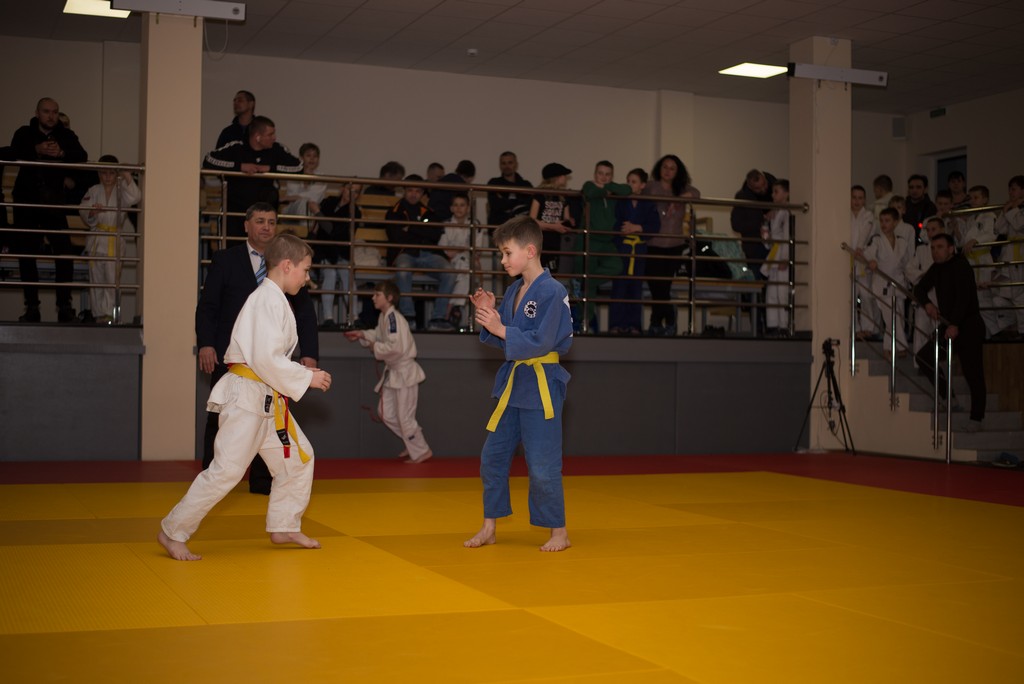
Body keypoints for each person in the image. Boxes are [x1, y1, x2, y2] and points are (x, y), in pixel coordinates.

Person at [158, 234, 331, 561]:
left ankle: (284, 524)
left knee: (299, 459)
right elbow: (265, 359)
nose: (307, 277)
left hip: (266, 399)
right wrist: (306, 377)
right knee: (226, 471)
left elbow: (269, 359)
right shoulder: (265, 300)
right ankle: (172, 531)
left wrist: (298, 374)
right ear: (287, 265)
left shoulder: (275, 299)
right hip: (247, 399)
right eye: (306, 270)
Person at [464, 215, 573, 553]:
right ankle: (489, 527)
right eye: (501, 253)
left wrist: (501, 328)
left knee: (542, 464)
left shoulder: (553, 291)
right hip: (514, 386)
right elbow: (505, 340)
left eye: (507, 253)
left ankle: (559, 532)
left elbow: (542, 341)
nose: (503, 260)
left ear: (530, 251)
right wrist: (490, 316)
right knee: (492, 458)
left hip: (541, 386)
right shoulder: (514, 291)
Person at [195, 202, 319, 494]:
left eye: (272, 222)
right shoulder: (227, 260)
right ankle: (210, 476)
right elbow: (209, 306)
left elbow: (305, 313)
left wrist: (309, 354)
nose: (266, 227)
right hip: (235, 358)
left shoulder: (291, 263)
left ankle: (263, 483)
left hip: (272, 364)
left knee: (273, 425)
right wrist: (206, 343)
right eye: (260, 221)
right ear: (246, 225)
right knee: (222, 425)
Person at [9, 97, 89, 323]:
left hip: (54, 203)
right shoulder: (24, 132)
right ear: (37, 113)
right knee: (27, 255)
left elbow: (81, 156)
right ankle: (32, 308)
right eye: (46, 111)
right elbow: (12, 152)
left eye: (54, 112)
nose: (51, 116)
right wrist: (36, 149)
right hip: (26, 202)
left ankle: (65, 307)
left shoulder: (66, 135)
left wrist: (61, 154)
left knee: (64, 253)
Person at [343, 281, 432, 464]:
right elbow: (378, 334)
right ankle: (413, 443)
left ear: (389, 298)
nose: (373, 298)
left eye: (377, 294)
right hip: (394, 373)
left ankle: (421, 450)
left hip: (405, 372)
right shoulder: (384, 317)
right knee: (386, 413)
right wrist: (362, 334)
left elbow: (396, 347)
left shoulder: (393, 319)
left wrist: (374, 346)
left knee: (405, 417)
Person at [913, 232, 987, 432]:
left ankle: (977, 418)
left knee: (973, 373)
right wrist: (927, 304)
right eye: (932, 248)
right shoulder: (937, 268)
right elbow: (919, 289)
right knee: (924, 357)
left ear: (951, 249)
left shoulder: (961, 265)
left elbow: (964, 298)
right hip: (948, 324)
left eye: (939, 247)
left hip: (969, 325)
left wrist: (955, 324)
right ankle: (948, 397)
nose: (935, 251)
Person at [203, 115, 303, 237]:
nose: (274, 138)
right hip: (235, 214)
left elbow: (299, 167)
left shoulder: (276, 149)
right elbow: (208, 160)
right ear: (257, 137)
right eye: (270, 135)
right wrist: (240, 167)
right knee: (232, 244)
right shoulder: (237, 147)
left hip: (264, 214)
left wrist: (270, 169)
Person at [385, 174, 456, 330]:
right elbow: (396, 237)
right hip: (404, 253)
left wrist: (410, 227)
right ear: (404, 191)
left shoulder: (428, 211)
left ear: (423, 193)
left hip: (428, 254)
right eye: (410, 190)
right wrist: (422, 229)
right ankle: (408, 316)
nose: (414, 194)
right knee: (403, 271)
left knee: (450, 273)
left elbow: (435, 234)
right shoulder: (394, 211)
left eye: (417, 191)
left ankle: (437, 318)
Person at [78, 155, 140, 324]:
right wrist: (92, 212)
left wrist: (127, 175)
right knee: (96, 280)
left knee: (112, 280)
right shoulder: (93, 190)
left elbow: (136, 197)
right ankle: (99, 315)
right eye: (104, 173)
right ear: (99, 173)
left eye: (111, 173)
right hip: (97, 238)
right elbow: (83, 209)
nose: (107, 177)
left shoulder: (122, 190)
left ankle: (110, 315)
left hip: (114, 239)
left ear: (116, 173)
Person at [644, 154, 700, 336]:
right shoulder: (652, 186)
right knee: (657, 286)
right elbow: (646, 195)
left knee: (665, 286)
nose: (668, 171)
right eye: (665, 167)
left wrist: (679, 198)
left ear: (678, 172)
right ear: (659, 169)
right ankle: (668, 318)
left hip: (674, 245)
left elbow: (696, 194)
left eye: (672, 168)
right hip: (653, 243)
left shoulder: (682, 188)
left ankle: (656, 323)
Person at [577, 160, 631, 331]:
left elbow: (626, 190)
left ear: (612, 176)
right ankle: (587, 322)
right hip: (590, 240)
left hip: (607, 242)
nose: (604, 177)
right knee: (588, 290)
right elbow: (591, 192)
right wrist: (606, 190)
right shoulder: (589, 185)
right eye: (600, 173)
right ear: (595, 174)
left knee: (616, 266)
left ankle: (589, 281)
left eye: (608, 174)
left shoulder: (612, 188)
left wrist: (608, 187)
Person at [609, 167, 658, 334]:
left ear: (642, 185)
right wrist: (622, 230)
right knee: (619, 287)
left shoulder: (648, 204)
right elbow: (614, 223)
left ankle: (634, 325)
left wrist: (638, 227)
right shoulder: (621, 202)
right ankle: (615, 324)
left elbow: (655, 226)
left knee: (635, 288)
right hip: (622, 248)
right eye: (628, 181)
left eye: (634, 182)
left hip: (639, 249)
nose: (630, 184)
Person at [862, 208, 912, 356]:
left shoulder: (902, 242)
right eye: (882, 221)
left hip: (899, 284)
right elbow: (869, 253)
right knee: (891, 316)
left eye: (887, 221)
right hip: (882, 284)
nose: (884, 224)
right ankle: (901, 347)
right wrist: (872, 261)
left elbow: (908, 264)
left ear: (895, 222)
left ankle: (888, 348)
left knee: (898, 318)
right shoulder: (877, 240)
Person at [312, 182, 361, 329]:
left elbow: (333, 231)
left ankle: (354, 318)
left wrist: (318, 213)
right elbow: (318, 228)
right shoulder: (329, 202)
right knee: (330, 273)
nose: (351, 193)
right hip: (323, 251)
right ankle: (328, 318)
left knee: (347, 275)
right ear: (342, 189)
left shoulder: (355, 212)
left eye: (356, 191)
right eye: (349, 189)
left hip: (341, 252)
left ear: (358, 196)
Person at [438, 192, 486, 328]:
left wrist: (458, 249)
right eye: (456, 205)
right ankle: (455, 308)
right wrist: (463, 248)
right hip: (449, 263)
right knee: (466, 269)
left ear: (468, 208)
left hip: (468, 261)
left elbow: (477, 251)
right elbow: (446, 252)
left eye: (462, 205)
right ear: (451, 208)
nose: (459, 208)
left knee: (465, 267)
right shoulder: (446, 224)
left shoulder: (475, 224)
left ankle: (451, 309)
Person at [530, 163, 575, 275]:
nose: (565, 178)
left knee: (552, 271)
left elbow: (566, 219)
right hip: (539, 240)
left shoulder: (563, 196)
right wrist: (553, 226)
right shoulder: (540, 195)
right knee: (537, 271)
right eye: (564, 175)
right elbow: (532, 221)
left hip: (555, 241)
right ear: (557, 177)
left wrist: (569, 222)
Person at [994, 176, 1024, 338]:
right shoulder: (1010, 208)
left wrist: (1013, 209)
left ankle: (1022, 331)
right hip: (1009, 257)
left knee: (1020, 298)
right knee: (1001, 297)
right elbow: (998, 229)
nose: (1010, 192)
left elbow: (1019, 224)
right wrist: (1006, 211)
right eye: (1009, 189)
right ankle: (1011, 326)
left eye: (1014, 189)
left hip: (1021, 255)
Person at [278, 142, 327, 238]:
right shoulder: (293, 174)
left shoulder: (321, 177)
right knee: (303, 203)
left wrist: (290, 197)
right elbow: (293, 195)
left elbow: (314, 198)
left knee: (306, 204)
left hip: (311, 213)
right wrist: (294, 197)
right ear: (301, 158)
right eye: (308, 155)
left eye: (315, 156)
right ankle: (306, 236)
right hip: (291, 211)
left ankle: (304, 236)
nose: (312, 159)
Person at [731, 168, 776, 275]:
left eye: (764, 184)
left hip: (775, 245)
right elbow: (736, 225)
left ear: (765, 178)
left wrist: (776, 210)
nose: (763, 189)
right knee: (755, 278)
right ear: (750, 187)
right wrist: (760, 223)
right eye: (758, 188)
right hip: (755, 248)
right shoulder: (742, 197)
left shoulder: (776, 187)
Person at [761, 179, 791, 336]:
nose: (773, 195)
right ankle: (772, 324)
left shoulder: (787, 213)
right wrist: (765, 233)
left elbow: (787, 236)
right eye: (772, 192)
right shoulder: (774, 213)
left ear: (786, 194)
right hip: (774, 252)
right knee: (771, 292)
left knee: (782, 291)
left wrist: (785, 258)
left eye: (776, 192)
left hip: (782, 253)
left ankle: (783, 325)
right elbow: (769, 242)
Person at [851, 184, 879, 340]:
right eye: (854, 197)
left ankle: (869, 327)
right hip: (848, 257)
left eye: (860, 198)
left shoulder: (868, 215)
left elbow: (865, 233)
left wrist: (860, 248)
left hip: (863, 258)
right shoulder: (845, 214)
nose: (857, 201)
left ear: (864, 200)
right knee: (851, 296)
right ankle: (854, 328)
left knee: (866, 295)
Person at [486, 151, 532, 227]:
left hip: (521, 227)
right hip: (498, 226)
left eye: (510, 163)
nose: (507, 166)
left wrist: (504, 201)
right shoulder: (494, 183)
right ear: (500, 165)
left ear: (516, 164)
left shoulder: (526, 185)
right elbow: (495, 205)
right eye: (503, 163)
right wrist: (518, 202)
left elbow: (529, 206)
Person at [903, 174, 937, 242]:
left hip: (922, 242)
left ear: (925, 189)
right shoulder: (903, 205)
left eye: (918, 187)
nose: (914, 190)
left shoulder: (930, 207)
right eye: (911, 187)